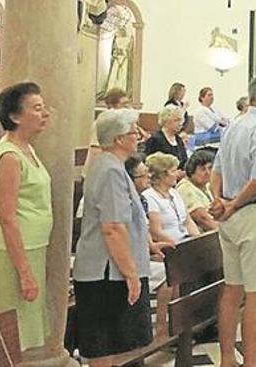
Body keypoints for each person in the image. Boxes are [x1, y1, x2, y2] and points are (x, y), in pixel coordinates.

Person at [74, 109, 166, 365]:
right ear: (117, 139)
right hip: (106, 273)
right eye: (132, 132)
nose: (137, 135)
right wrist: (131, 274)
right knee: (105, 345)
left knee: (115, 343)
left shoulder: (113, 167)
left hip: (113, 270)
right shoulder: (110, 171)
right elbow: (112, 227)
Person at [209, 74, 256, 367]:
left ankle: (228, 358)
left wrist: (220, 200)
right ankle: (251, 362)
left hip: (233, 216)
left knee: (232, 289)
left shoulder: (235, 124)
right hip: (254, 213)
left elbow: (216, 171)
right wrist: (232, 204)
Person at [0, 83, 52, 351]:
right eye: (36, 108)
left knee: (29, 326)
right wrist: (24, 272)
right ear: (14, 116)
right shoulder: (10, 155)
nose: (44, 113)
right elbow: (7, 217)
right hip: (12, 250)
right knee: (13, 329)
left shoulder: (27, 148)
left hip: (32, 245)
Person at [143, 152, 199, 337]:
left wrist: (197, 240)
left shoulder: (174, 193)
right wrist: (176, 245)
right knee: (172, 276)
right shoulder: (149, 197)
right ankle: (164, 327)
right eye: (174, 171)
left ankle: (190, 321)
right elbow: (156, 230)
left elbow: (187, 220)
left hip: (183, 241)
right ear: (163, 174)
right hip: (167, 246)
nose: (178, 173)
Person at [177, 149, 218, 231]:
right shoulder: (185, 188)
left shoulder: (206, 186)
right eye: (203, 169)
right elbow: (202, 219)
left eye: (210, 168)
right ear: (191, 170)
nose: (208, 173)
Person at [145, 105, 188, 171]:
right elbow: (150, 164)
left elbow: (185, 161)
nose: (180, 124)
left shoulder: (178, 140)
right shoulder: (155, 139)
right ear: (165, 121)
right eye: (176, 120)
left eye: (181, 120)